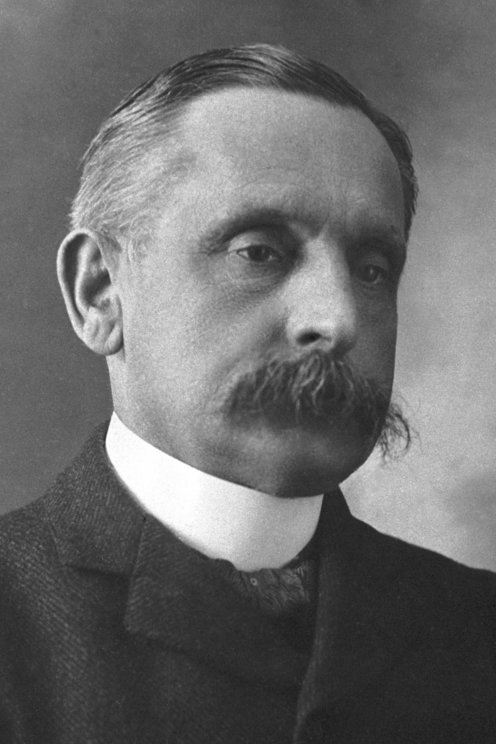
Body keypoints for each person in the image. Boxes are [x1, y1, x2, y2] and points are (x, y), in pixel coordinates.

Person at [0, 44, 495, 744]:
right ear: (100, 293)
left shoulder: (476, 629)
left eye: (372, 269)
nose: (339, 320)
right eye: (258, 252)